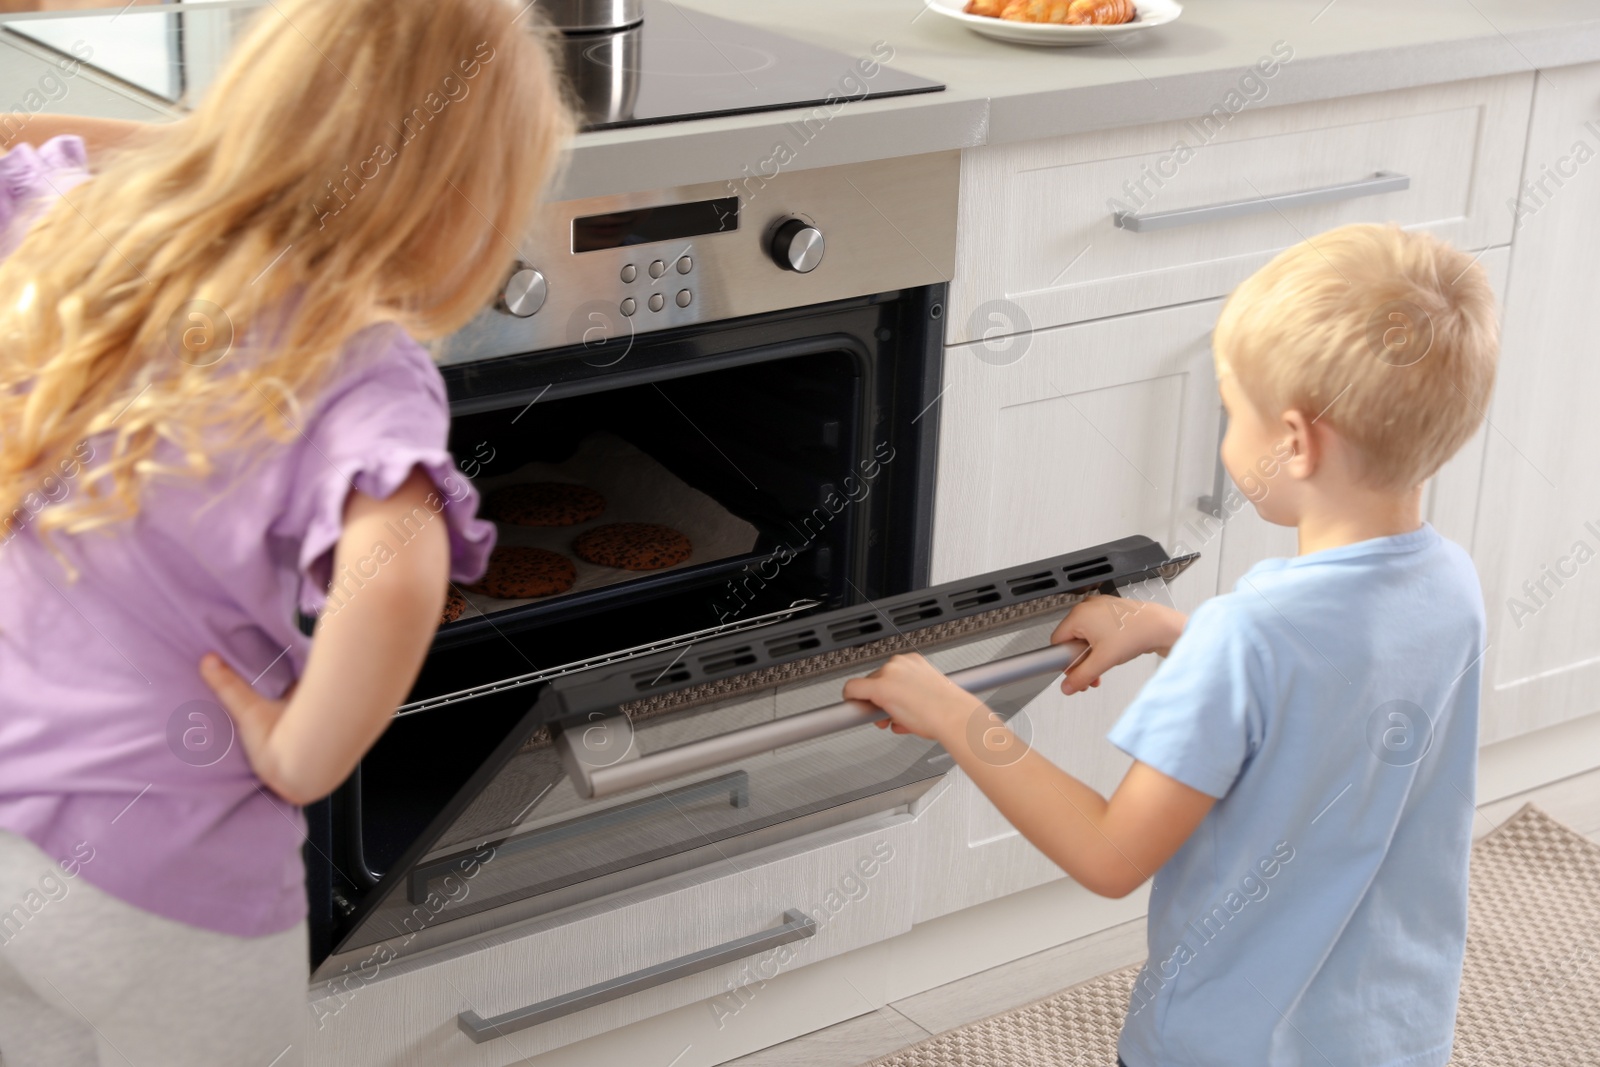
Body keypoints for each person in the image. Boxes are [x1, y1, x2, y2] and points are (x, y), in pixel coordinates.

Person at [0, 0, 573, 1062]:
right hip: (168, 881)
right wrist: (301, 751)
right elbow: (400, 568)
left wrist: (217, 162)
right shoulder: (355, 355)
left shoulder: (77, 232)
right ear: (459, 208)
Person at [846, 223, 1497, 1067]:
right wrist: (1166, 631)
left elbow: (1111, 852)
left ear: (1295, 444)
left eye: (1234, 411)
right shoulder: (1451, 585)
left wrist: (951, 711)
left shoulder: (1249, 634)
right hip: (1391, 1034)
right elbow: (1329, 701)